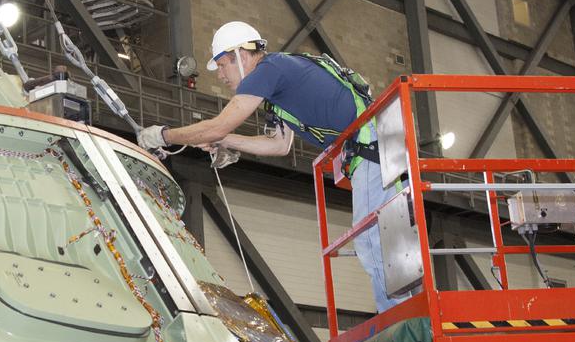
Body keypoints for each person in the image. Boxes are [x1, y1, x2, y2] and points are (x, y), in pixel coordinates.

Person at [137, 21, 395, 312]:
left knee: (373, 239)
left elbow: (219, 125)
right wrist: (227, 142)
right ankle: (400, 311)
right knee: (380, 237)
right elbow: (278, 145)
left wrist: (163, 135)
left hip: (372, 147)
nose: (221, 75)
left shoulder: (269, 71)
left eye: (223, 65)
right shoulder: (278, 90)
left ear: (242, 55)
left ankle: (400, 316)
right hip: (372, 148)